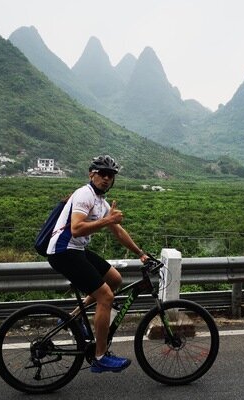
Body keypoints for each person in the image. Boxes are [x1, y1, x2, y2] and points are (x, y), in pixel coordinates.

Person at [46, 155, 148, 373]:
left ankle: (72, 319)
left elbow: (118, 231)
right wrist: (108, 220)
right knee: (106, 297)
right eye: (102, 173)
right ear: (91, 174)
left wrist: (141, 253)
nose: (106, 178)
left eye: (110, 175)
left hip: (76, 250)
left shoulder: (100, 202)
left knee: (114, 279)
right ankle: (100, 356)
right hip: (64, 251)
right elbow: (76, 228)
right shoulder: (85, 194)